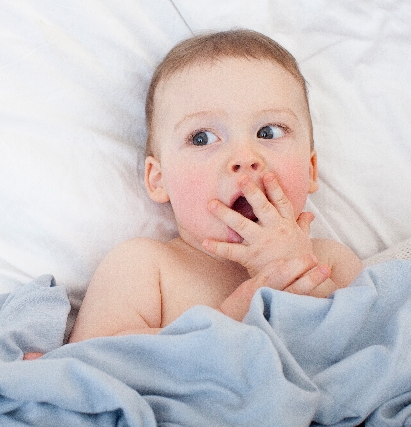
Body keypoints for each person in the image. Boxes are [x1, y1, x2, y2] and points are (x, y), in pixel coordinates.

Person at [67, 28, 364, 343]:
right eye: (202, 138)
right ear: (159, 179)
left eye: (269, 132)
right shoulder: (145, 267)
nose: (244, 158)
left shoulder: (329, 262)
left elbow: (375, 349)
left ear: (310, 170)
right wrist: (231, 317)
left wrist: (300, 275)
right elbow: (93, 365)